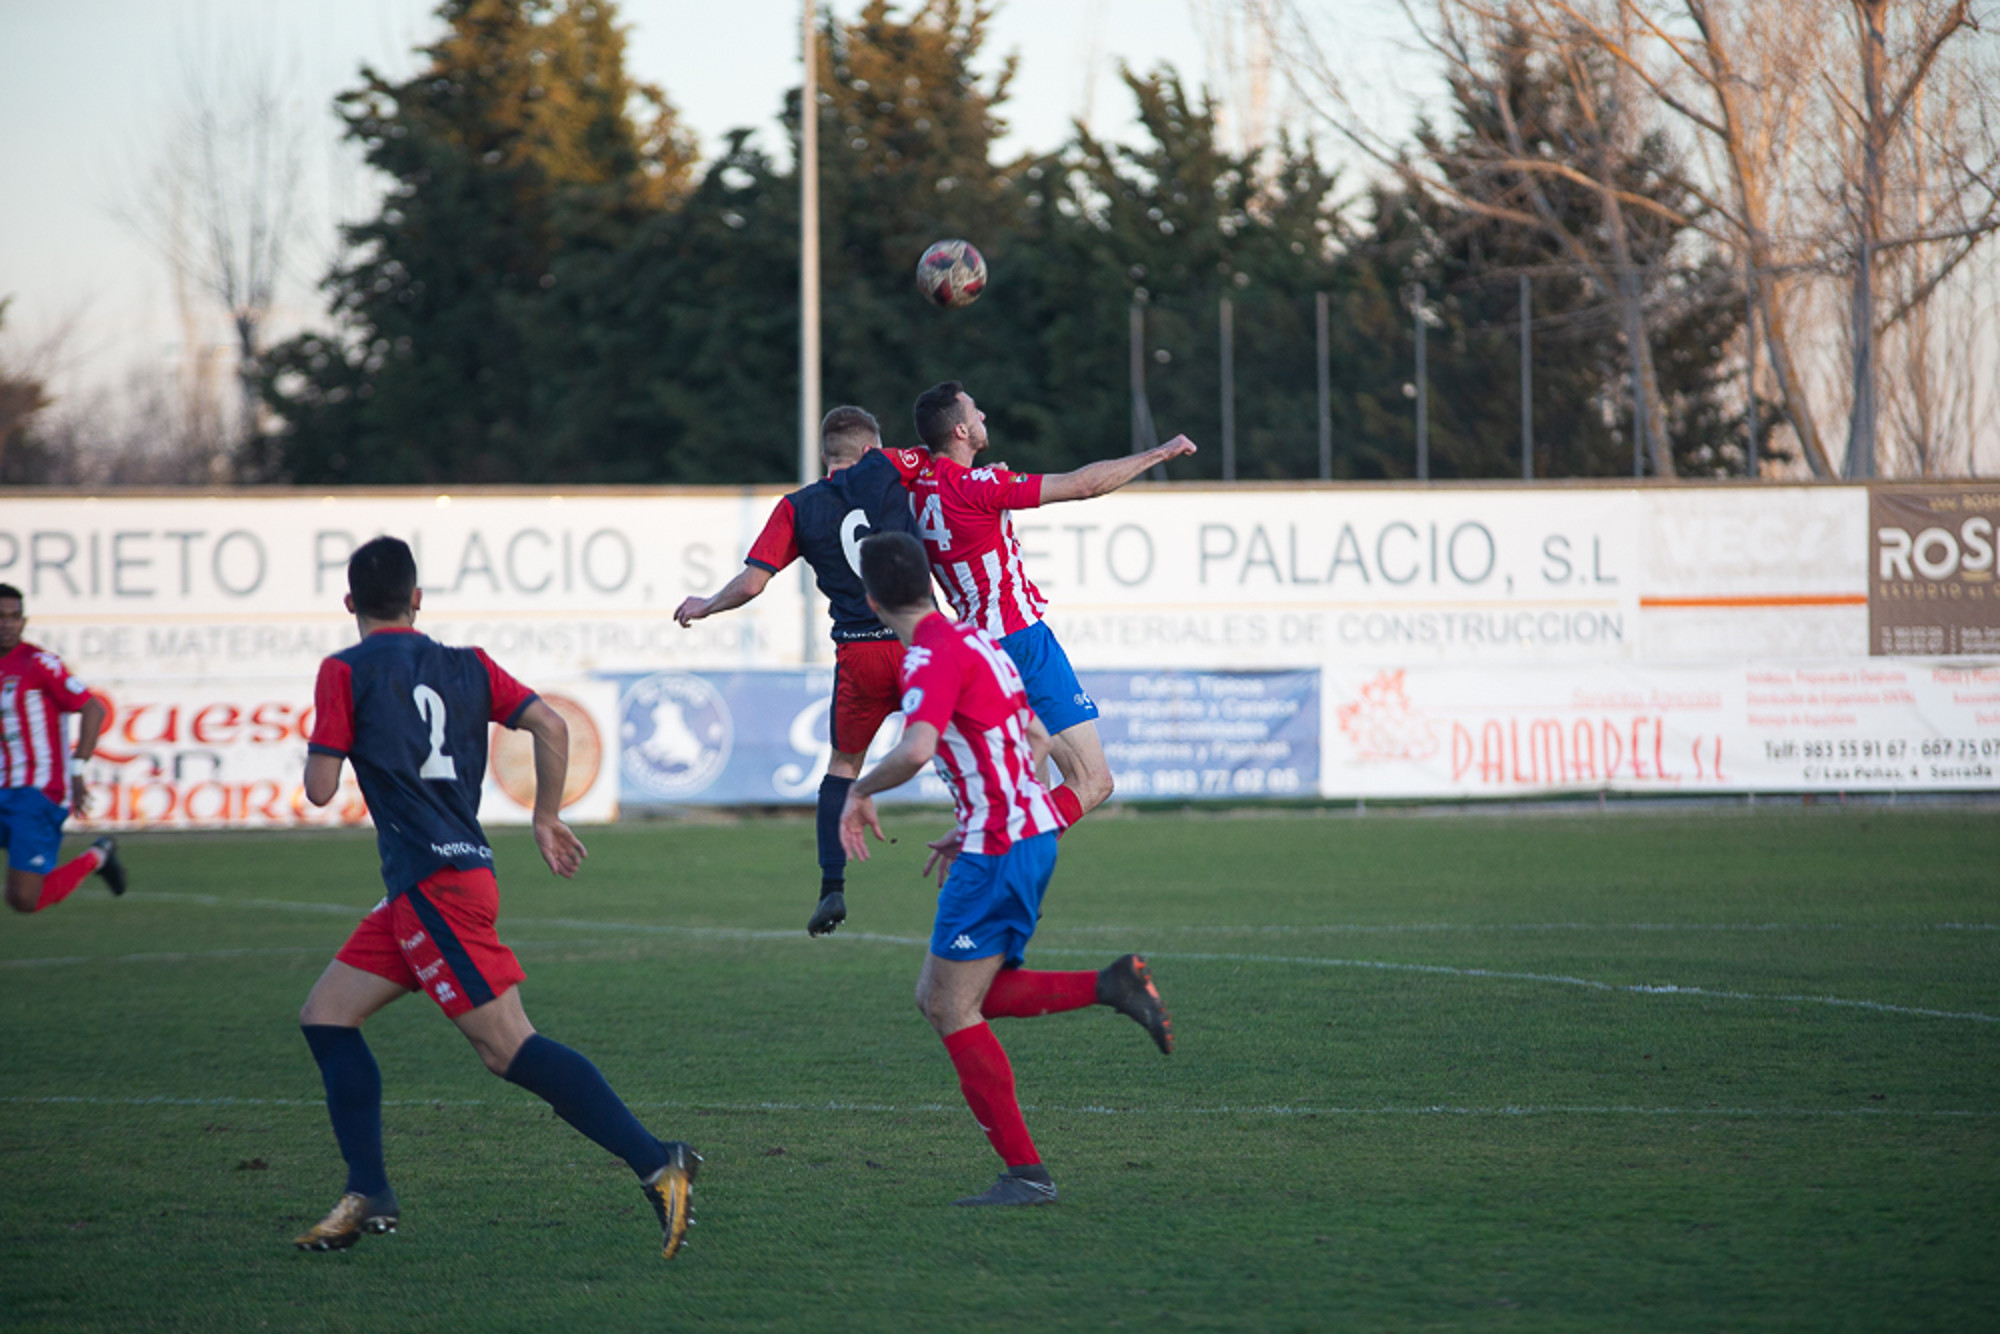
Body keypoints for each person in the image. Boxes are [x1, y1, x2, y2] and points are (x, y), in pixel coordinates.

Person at [292, 537, 699, 1259]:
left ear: (350, 602)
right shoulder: (469, 664)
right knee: (326, 1016)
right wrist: (545, 815)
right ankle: (368, 1190)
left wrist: (342, 732)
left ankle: (656, 1161)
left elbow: (321, 789)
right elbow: (551, 723)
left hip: (433, 888)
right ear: (418, 601)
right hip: (439, 882)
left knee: (508, 1046)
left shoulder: (343, 671)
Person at [838, 532, 1174, 1208]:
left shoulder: (928, 657)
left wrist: (859, 789)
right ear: (928, 583)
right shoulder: (978, 640)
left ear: (871, 600)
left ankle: (1027, 1174)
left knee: (947, 1003)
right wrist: (980, 816)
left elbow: (917, 748)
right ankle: (1112, 985)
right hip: (1020, 835)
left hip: (999, 847)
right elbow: (1036, 737)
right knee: (958, 996)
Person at [890, 382, 1196, 840]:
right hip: (1020, 642)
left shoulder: (917, 487)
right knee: (1093, 780)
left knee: (1030, 795)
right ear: (959, 431)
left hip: (977, 651)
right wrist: (1161, 453)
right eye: (974, 412)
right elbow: (1083, 485)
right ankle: (995, 847)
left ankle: (999, 855)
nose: (983, 416)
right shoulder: (980, 486)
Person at [675, 405, 922, 937]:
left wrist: (707, 604)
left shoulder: (797, 506)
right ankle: (1002, 855)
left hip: (858, 653)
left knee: (843, 766)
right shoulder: (890, 467)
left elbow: (752, 583)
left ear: (825, 455)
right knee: (971, 740)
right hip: (915, 644)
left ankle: (832, 886)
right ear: (871, 449)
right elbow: (942, 458)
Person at [0, 583, 125, 915]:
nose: (7, 624)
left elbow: (93, 708)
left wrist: (77, 768)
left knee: (24, 899)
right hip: (3, 788)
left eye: (14, 617)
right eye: (0, 617)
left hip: (36, 792)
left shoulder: (38, 664)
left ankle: (97, 856)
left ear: (23, 622)